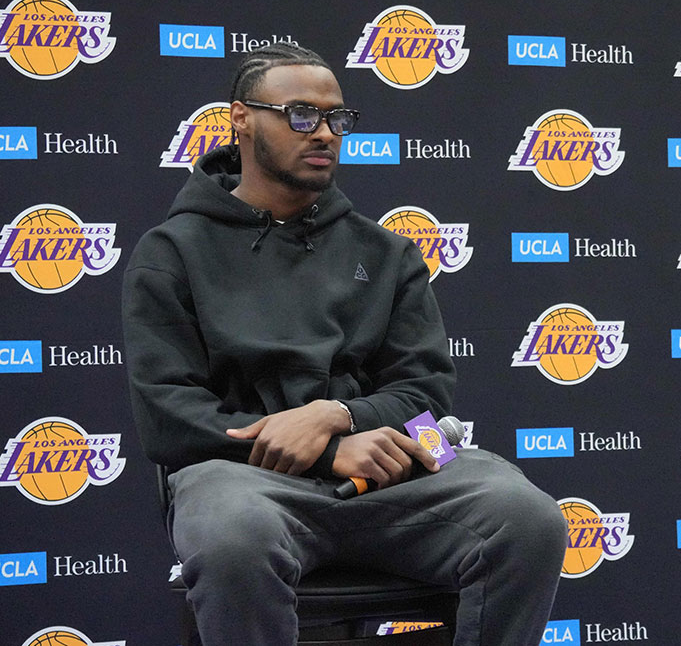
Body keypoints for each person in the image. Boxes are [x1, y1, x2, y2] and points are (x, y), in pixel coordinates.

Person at [122, 43, 567, 646]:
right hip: (246, 478)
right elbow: (168, 416)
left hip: (392, 470)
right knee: (232, 537)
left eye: (338, 118)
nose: (325, 133)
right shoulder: (170, 252)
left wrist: (340, 416)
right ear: (241, 118)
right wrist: (330, 453)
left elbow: (427, 392)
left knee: (529, 519)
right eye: (302, 115)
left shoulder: (386, 252)